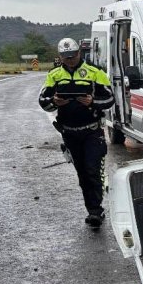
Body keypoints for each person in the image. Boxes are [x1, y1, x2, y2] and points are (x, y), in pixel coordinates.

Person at [38, 38, 114, 228]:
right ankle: (91, 209)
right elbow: (42, 100)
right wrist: (55, 101)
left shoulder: (95, 72)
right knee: (82, 173)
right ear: (60, 57)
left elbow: (110, 99)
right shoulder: (54, 75)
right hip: (70, 133)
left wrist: (92, 102)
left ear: (79, 53)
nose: (70, 59)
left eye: (72, 56)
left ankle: (96, 211)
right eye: (65, 57)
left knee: (92, 170)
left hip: (92, 132)